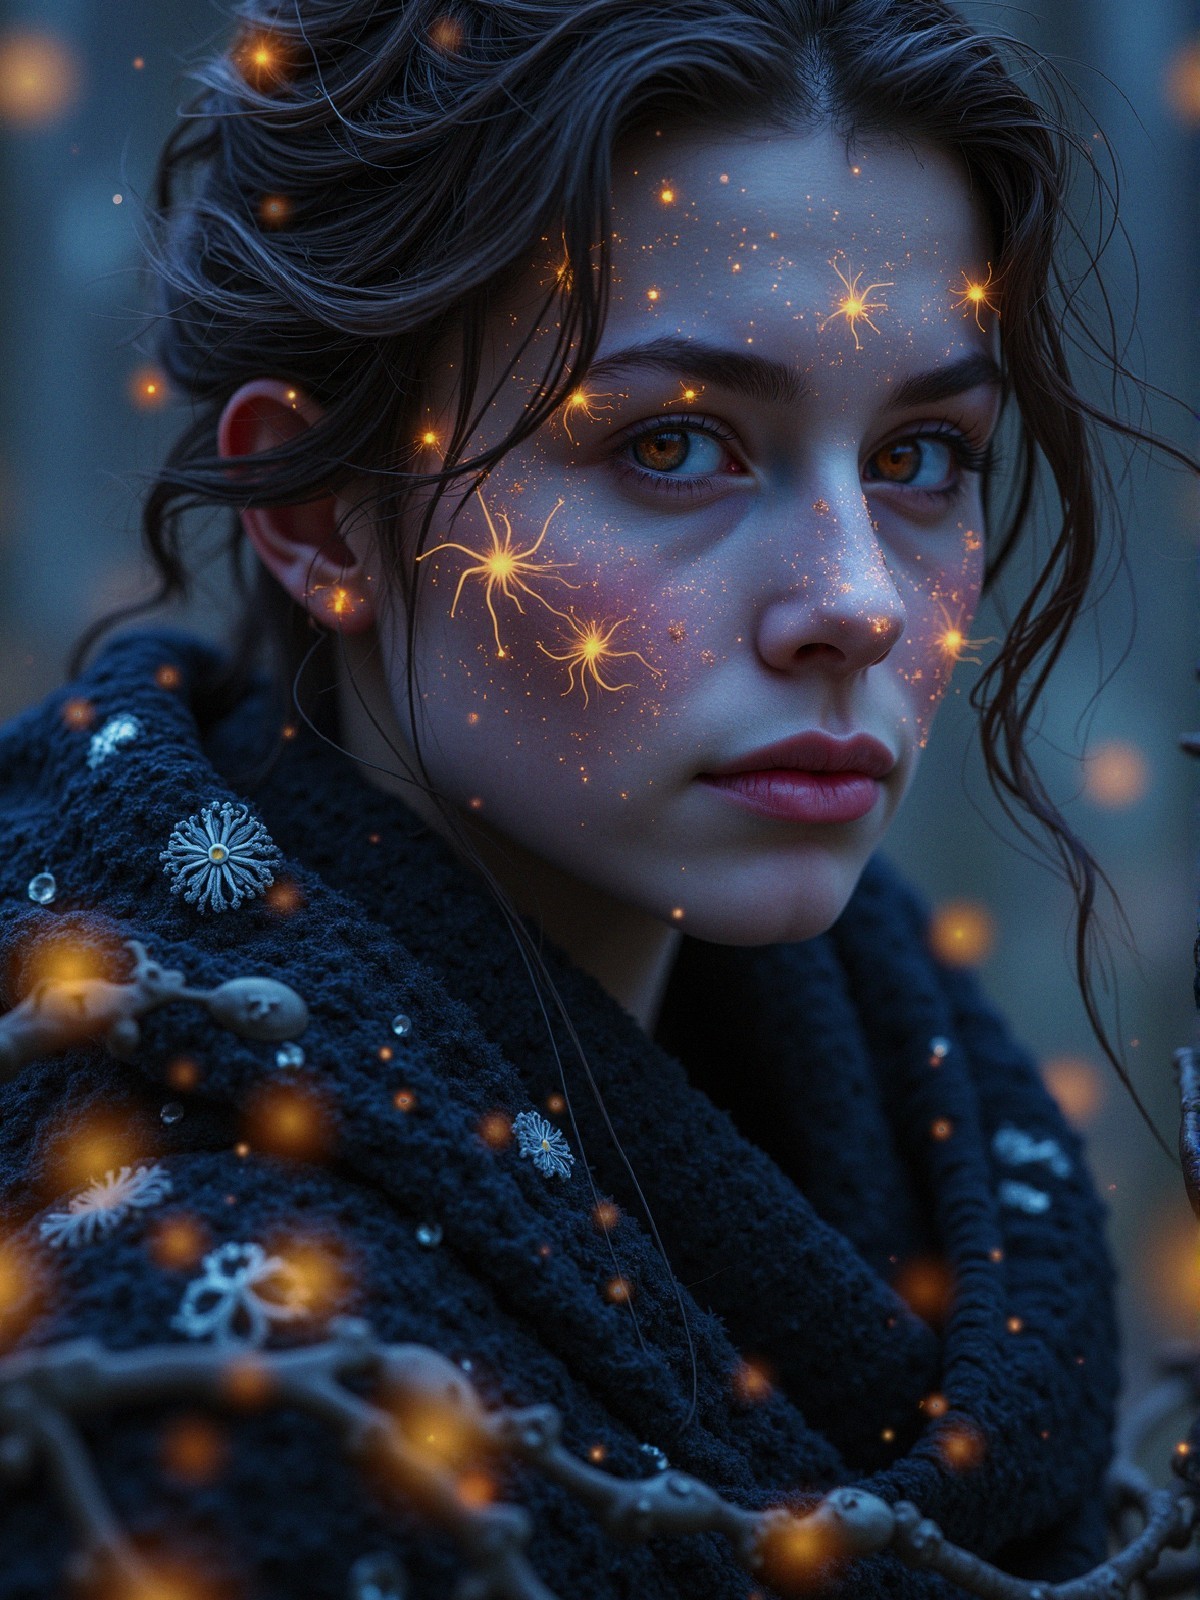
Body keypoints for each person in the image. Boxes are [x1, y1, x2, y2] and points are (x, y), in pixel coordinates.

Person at [0, 2, 1193, 1596]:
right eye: (675, 444)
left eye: (922, 455)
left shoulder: (944, 1146)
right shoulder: (196, 1393)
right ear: (323, 511)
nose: (859, 601)